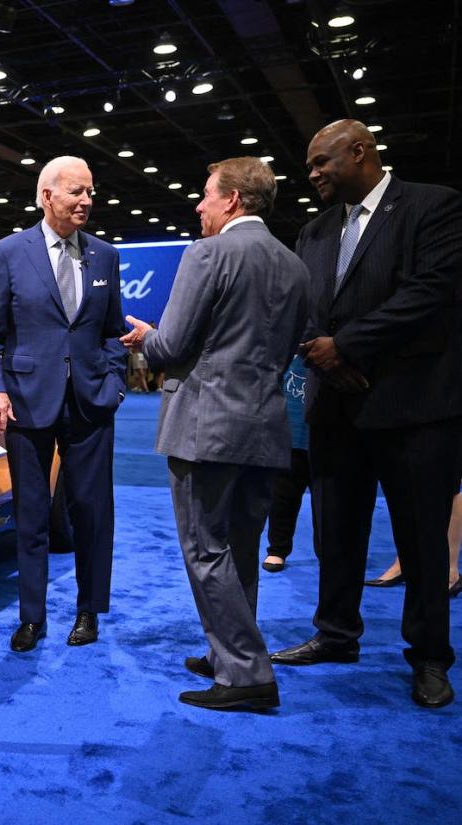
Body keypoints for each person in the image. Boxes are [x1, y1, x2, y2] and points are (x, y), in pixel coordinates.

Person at [270, 119, 462, 710]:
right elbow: (304, 308)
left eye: (321, 162)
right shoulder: (316, 230)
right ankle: (336, 634)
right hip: (336, 406)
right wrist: (323, 356)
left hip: (415, 406)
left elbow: (432, 292)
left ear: (361, 151)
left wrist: (347, 346)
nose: (314, 174)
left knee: (422, 540)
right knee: (336, 532)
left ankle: (429, 656)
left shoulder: (434, 207)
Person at [123, 157, 309, 710]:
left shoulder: (207, 252)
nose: (199, 205)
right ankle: (228, 652)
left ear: (232, 200)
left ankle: (247, 674)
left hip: (205, 428)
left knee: (205, 549)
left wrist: (147, 338)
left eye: (206, 195)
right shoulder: (295, 265)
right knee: (241, 547)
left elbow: (174, 346)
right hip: (265, 426)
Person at [0, 155, 126, 652]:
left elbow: (112, 331)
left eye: (90, 191)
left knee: (92, 513)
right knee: (32, 515)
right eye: (76, 192)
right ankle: (32, 617)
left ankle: (88, 612)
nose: (87, 201)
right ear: (47, 197)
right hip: (26, 404)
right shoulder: (8, 252)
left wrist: (116, 384)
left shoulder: (105, 256)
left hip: (90, 402)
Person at [261, 355, 313, 572]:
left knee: (329, 499)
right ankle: (277, 549)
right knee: (282, 494)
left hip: (329, 428)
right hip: (288, 428)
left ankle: (330, 551)